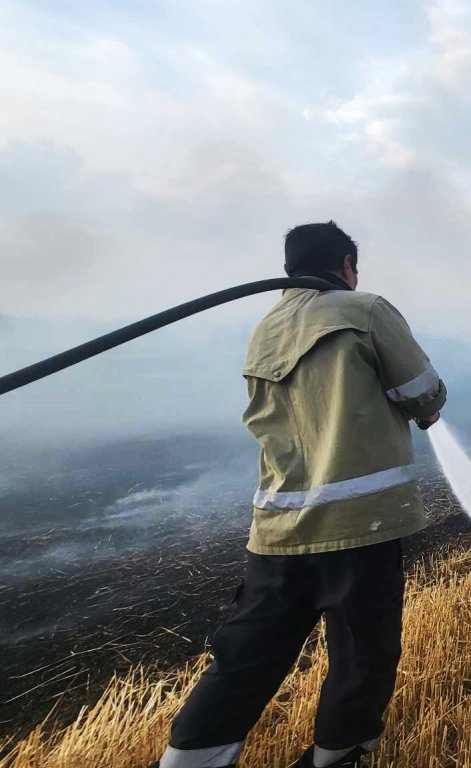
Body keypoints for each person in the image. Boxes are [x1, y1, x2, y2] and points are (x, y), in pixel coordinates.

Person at [154, 222, 447, 768]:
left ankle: (187, 760)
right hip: (360, 526)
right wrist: (426, 411)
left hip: (276, 529)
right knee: (363, 656)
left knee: (246, 655)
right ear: (346, 265)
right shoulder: (364, 309)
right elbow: (423, 391)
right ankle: (336, 758)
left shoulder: (265, 328)